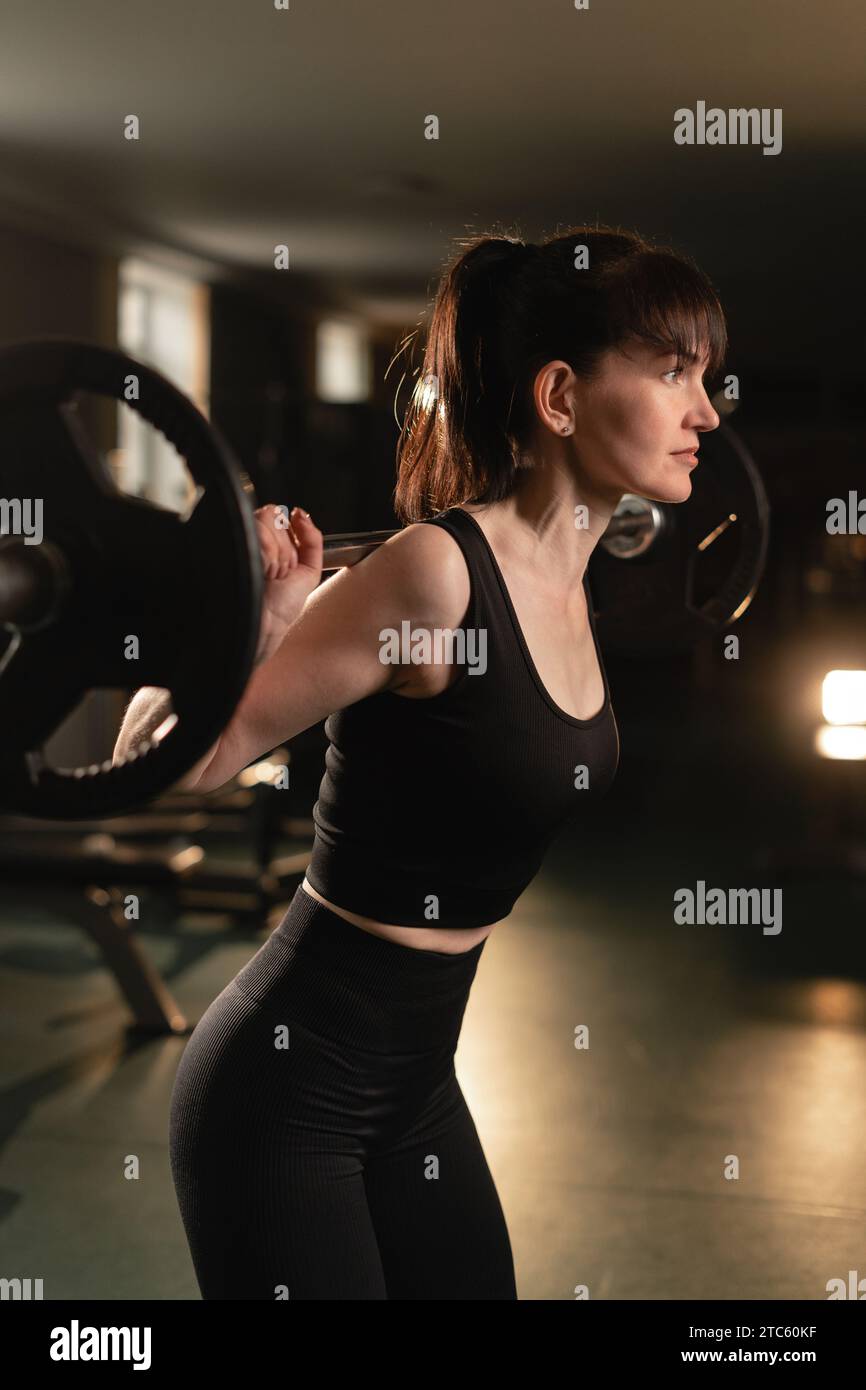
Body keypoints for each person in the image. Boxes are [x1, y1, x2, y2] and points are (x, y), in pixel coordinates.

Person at [128, 223, 725, 1299]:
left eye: (704, 376)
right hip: (285, 1094)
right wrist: (242, 621)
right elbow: (180, 760)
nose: (705, 412)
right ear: (560, 397)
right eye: (673, 373)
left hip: (417, 1088)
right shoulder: (435, 576)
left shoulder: (570, 584)